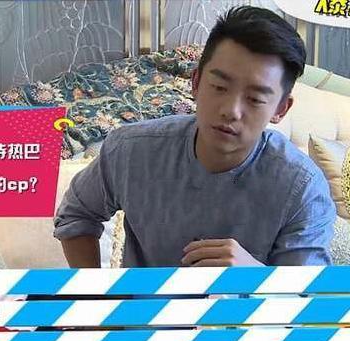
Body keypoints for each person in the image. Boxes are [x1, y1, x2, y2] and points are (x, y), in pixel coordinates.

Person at [53, 6, 336, 268]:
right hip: (142, 306)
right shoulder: (130, 150)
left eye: (254, 99)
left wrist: (252, 277)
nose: (231, 111)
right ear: (196, 83)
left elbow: (304, 292)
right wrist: (97, 296)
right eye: (219, 87)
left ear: (280, 109)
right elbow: (76, 215)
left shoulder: (303, 187)